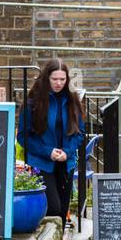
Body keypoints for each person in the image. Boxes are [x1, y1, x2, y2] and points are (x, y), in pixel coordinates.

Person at [17, 59, 85, 223]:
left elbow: (80, 133)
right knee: (52, 207)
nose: (59, 83)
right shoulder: (33, 102)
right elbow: (23, 137)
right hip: (42, 163)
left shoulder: (72, 101)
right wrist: (48, 151)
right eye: (55, 79)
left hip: (66, 162)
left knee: (62, 209)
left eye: (63, 79)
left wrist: (67, 152)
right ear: (47, 77)